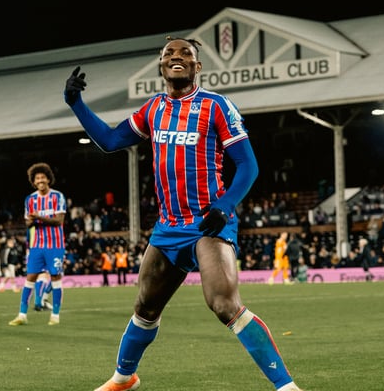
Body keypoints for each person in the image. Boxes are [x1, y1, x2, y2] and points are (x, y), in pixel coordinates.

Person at [65, 37, 302, 391]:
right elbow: (111, 141)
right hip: (168, 227)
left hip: (208, 222)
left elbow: (248, 166)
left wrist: (225, 206)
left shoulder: (216, 106)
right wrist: (76, 104)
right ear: (161, 66)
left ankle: (286, 387)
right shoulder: (153, 109)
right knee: (145, 307)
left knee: (224, 304)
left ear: (197, 66)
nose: (176, 57)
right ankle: (123, 378)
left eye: (185, 53)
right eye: (169, 54)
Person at [9, 162, 66, 326]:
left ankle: (55, 316)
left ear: (48, 179)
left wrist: (38, 217)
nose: (40, 180)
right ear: (33, 182)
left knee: (55, 277)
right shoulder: (30, 199)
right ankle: (22, 315)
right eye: (37, 178)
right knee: (30, 278)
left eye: (43, 177)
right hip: (37, 245)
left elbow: (59, 221)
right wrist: (32, 220)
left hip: (55, 245)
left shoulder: (57, 197)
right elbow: (28, 223)